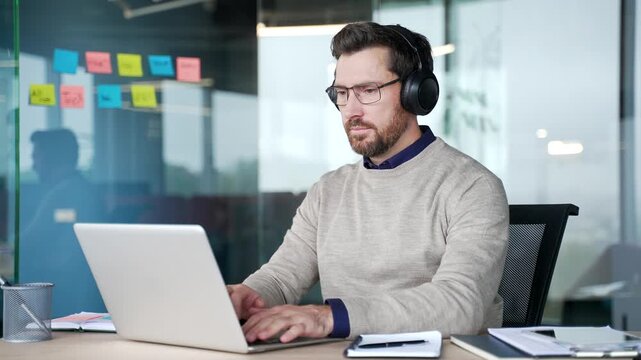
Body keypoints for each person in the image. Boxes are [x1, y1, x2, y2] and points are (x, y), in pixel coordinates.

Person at [228, 21, 509, 342]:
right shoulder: (329, 190)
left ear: (415, 92)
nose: (352, 110)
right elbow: (281, 279)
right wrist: (246, 296)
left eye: (368, 91)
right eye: (343, 93)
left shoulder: (471, 186)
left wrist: (329, 317)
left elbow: (460, 304)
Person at [20, 128, 106, 317]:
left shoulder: (64, 194)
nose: (34, 165)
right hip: (76, 293)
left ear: (51, 158)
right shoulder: (83, 189)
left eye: (36, 156)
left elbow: (27, 242)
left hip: (63, 296)